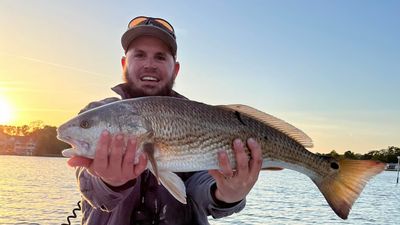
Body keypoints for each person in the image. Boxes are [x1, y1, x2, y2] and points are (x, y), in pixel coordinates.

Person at [67, 16, 263, 225]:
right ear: (124, 63)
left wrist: (226, 194)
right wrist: (109, 182)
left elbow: (200, 187)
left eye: (160, 57)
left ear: (175, 69)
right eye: (139, 55)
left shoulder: (197, 117)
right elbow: (92, 189)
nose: (149, 65)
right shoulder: (97, 111)